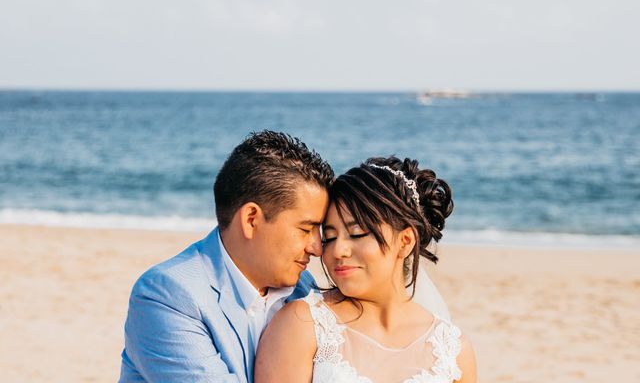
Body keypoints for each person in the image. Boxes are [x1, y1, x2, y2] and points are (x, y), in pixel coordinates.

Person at [118, 130, 334, 383]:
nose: (317, 248)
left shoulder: (304, 288)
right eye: (306, 229)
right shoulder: (167, 295)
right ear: (251, 219)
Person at [255, 157, 477, 383]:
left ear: (405, 241)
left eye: (358, 233)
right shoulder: (302, 325)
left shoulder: (453, 352)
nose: (338, 250)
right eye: (329, 237)